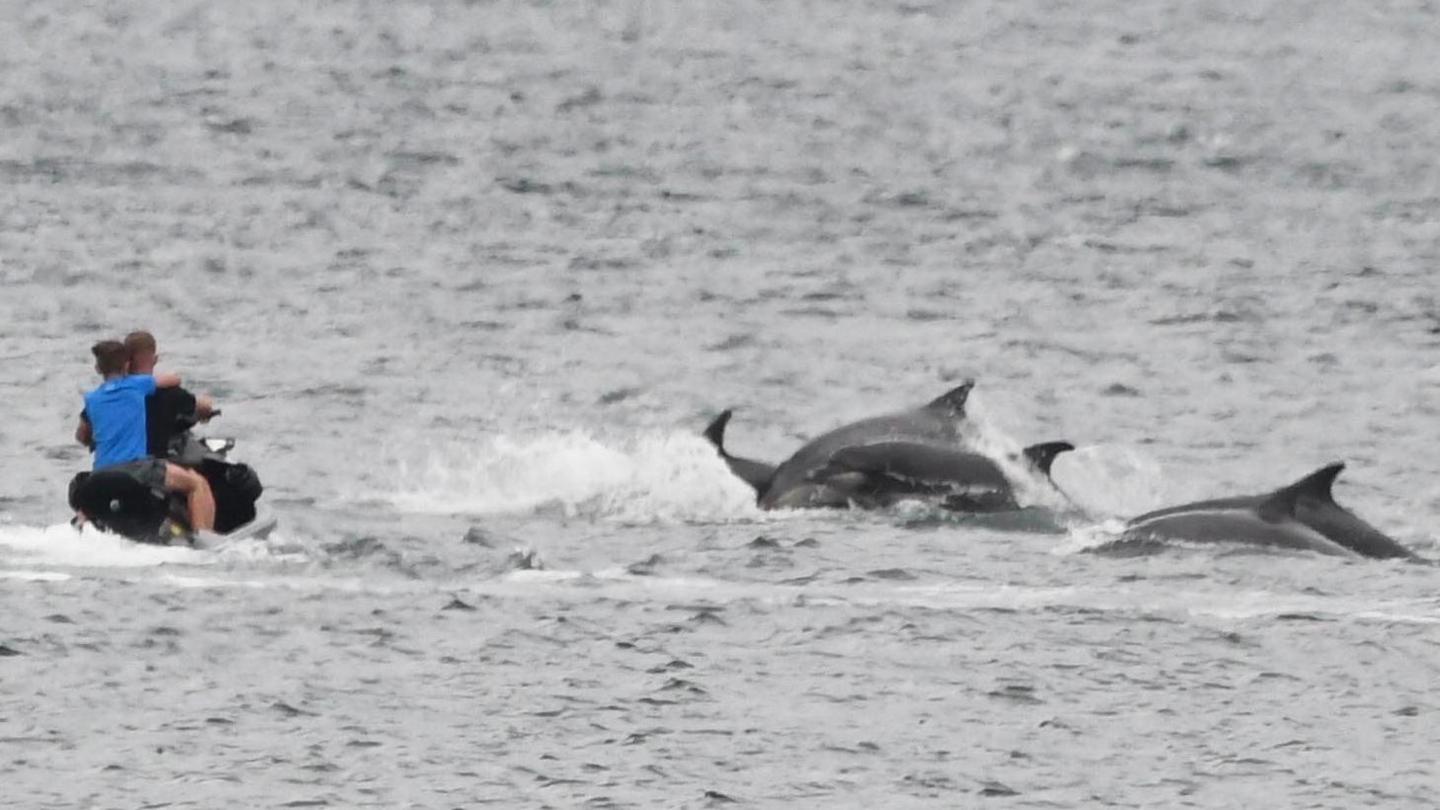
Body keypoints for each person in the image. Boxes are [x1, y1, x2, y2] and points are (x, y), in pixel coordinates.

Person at [75, 340, 216, 532]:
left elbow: (82, 436)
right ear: (126, 365)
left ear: (98, 368)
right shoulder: (138, 385)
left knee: (87, 506)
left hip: (99, 473)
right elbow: (174, 379)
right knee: (196, 483)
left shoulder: (91, 399)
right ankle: (204, 540)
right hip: (136, 469)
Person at [123, 330, 216, 457]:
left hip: (109, 466)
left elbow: (86, 435)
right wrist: (206, 404)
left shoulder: (107, 393)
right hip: (151, 466)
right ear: (155, 359)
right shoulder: (169, 392)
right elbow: (202, 407)